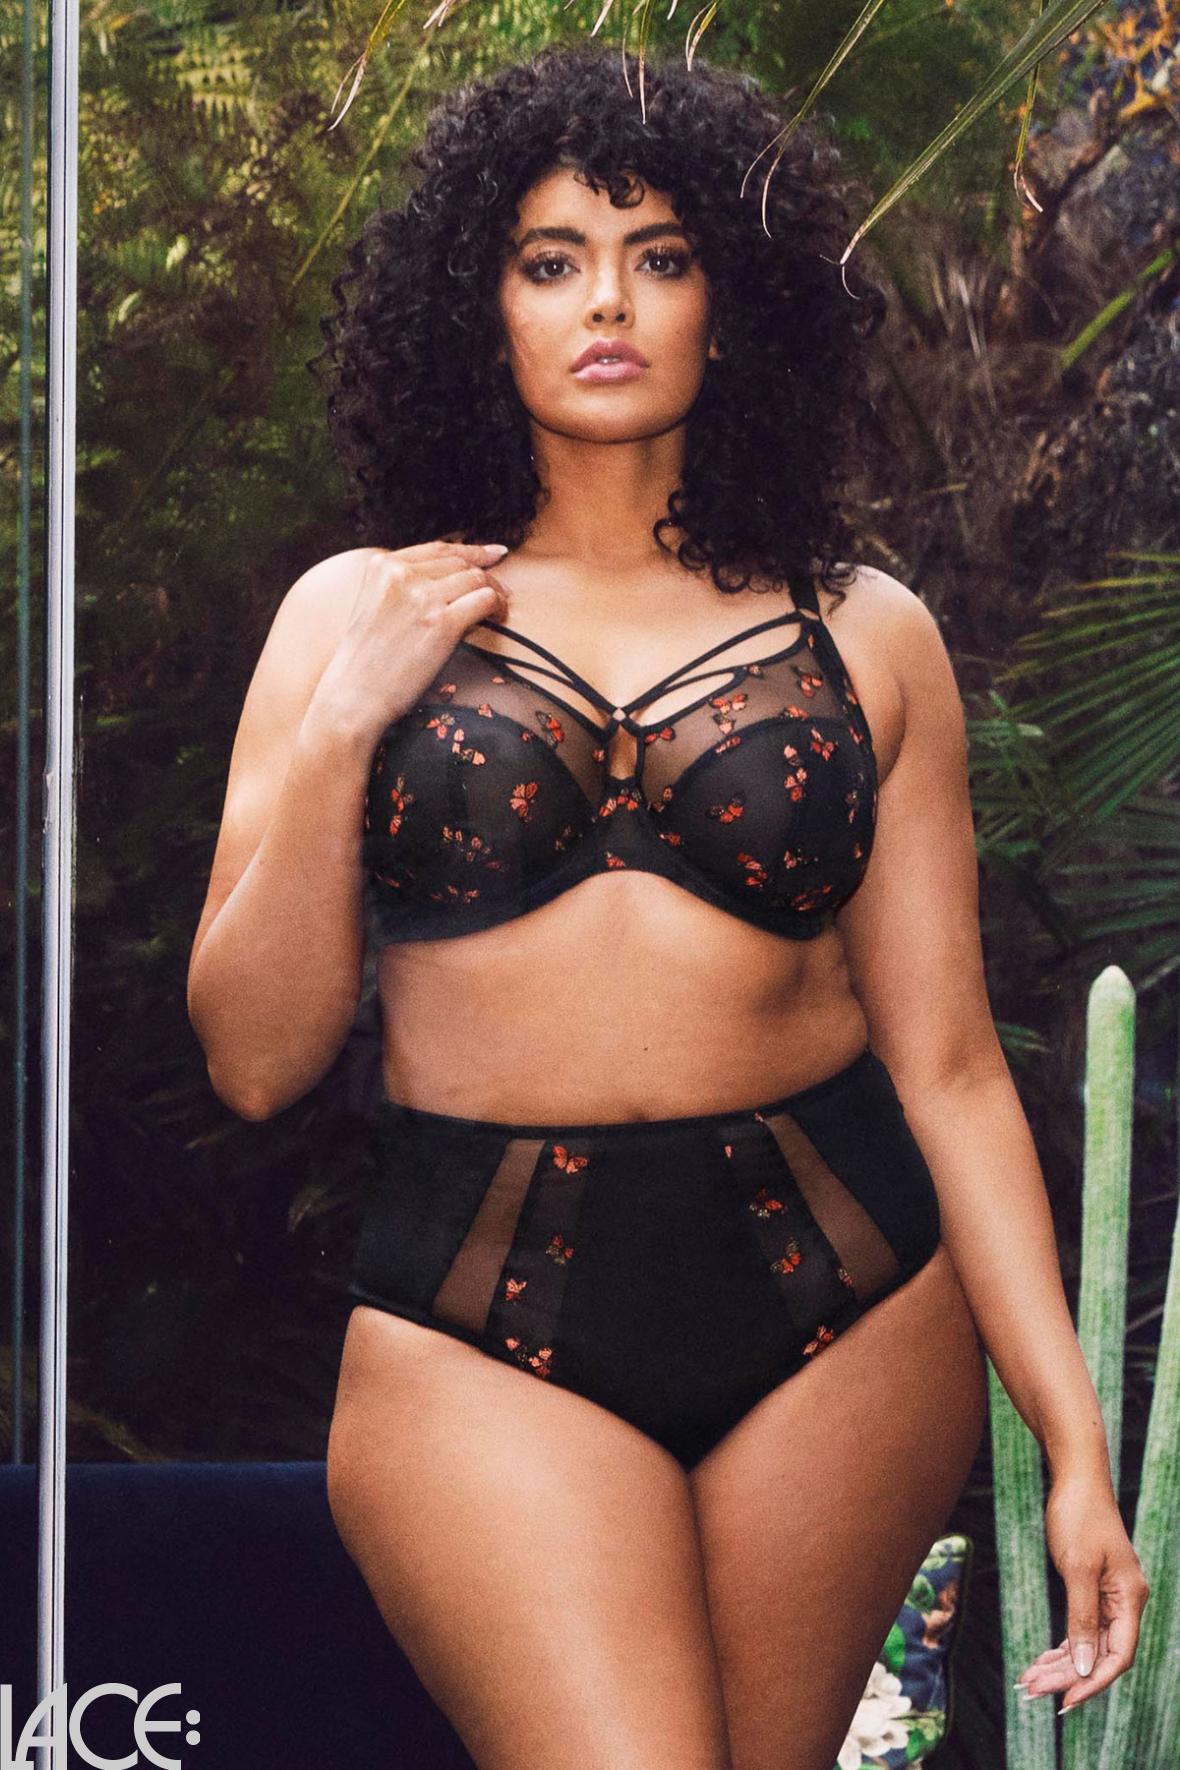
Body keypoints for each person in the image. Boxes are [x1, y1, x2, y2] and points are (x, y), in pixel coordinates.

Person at [186, 42, 1149, 1770]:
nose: (609, 303)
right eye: (552, 260)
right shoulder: (355, 615)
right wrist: (344, 726)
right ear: (478, 303)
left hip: (845, 1320)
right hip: (477, 1330)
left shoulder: (871, 634)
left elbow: (948, 1070)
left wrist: (1074, 1447)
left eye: (662, 255)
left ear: (736, 301)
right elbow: (255, 1060)